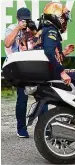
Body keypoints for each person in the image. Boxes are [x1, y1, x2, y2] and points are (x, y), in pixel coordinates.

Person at [4, 7, 48, 138]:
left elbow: (40, 43)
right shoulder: (12, 28)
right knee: (22, 98)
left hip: (34, 65)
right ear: (18, 19)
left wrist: (33, 30)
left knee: (42, 97)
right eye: (23, 20)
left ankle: (45, 127)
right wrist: (18, 28)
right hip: (19, 67)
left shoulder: (32, 26)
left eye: (27, 19)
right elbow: (7, 44)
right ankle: (21, 128)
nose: (25, 22)